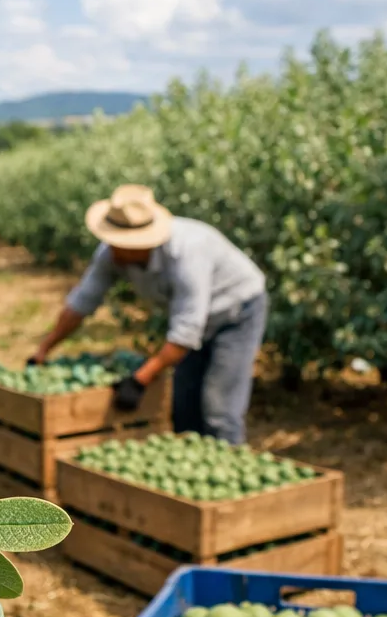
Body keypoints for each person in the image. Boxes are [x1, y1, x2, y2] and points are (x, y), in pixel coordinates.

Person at [30, 184, 267, 444]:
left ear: (141, 244)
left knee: (219, 407)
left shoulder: (187, 255)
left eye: (120, 243)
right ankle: (188, 465)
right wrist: (44, 349)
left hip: (237, 313)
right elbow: (82, 303)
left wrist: (140, 379)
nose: (112, 247)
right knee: (184, 403)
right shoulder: (112, 254)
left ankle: (229, 468)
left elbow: (185, 333)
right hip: (194, 319)